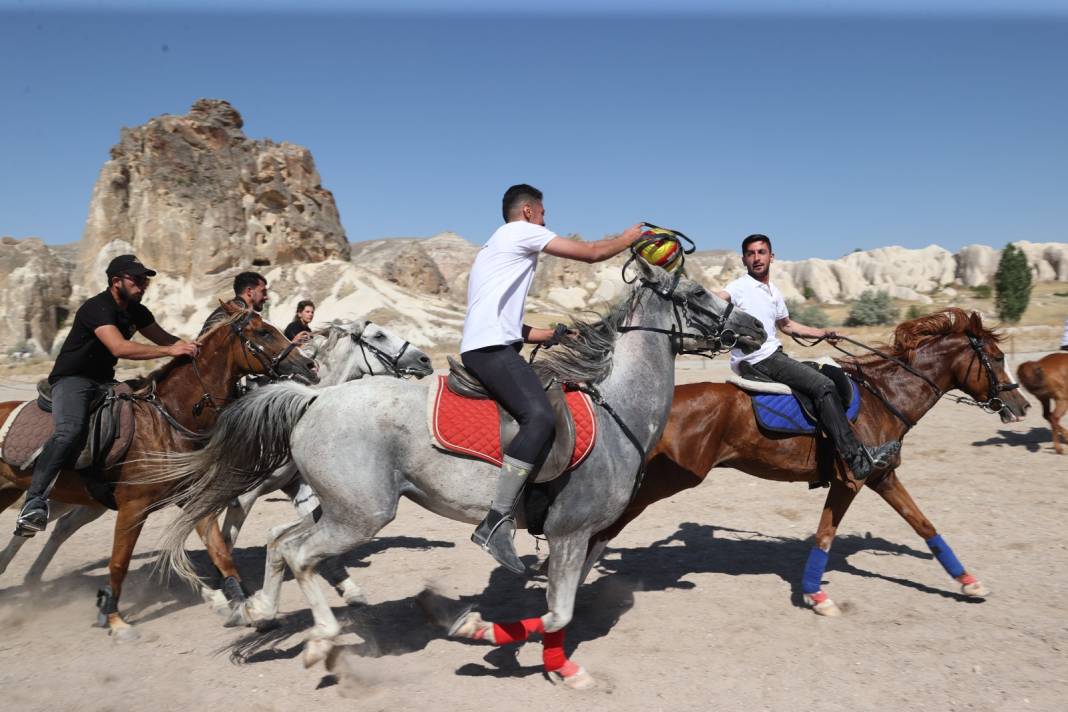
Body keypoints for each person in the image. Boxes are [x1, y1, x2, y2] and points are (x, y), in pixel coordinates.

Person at [460, 183, 643, 574]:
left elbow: (508, 323)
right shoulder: (522, 232)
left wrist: (553, 334)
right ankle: (496, 521)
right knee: (539, 417)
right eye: (543, 213)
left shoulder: (493, 247)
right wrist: (630, 238)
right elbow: (592, 254)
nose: (546, 220)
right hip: (491, 351)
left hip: (491, 344)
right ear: (527, 211)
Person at [15, 255, 200, 535]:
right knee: (69, 430)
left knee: (147, 412)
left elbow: (167, 339)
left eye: (145, 280)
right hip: (73, 380)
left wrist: (196, 347)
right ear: (116, 282)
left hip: (105, 382)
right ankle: (35, 502)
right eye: (136, 279)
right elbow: (119, 348)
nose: (143, 285)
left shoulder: (137, 311)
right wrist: (171, 351)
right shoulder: (97, 307)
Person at [716, 234, 900, 481]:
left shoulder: (773, 292)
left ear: (772, 256)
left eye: (761, 252)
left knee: (825, 371)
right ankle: (855, 458)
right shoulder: (739, 287)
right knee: (823, 385)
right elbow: (718, 298)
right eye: (751, 253)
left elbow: (788, 325)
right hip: (761, 359)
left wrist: (823, 333)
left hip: (774, 355)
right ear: (743, 259)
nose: (756, 258)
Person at [199, 271, 269, 337]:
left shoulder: (237, 311)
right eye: (263, 292)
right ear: (249, 291)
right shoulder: (236, 311)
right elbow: (205, 344)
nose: (266, 297)